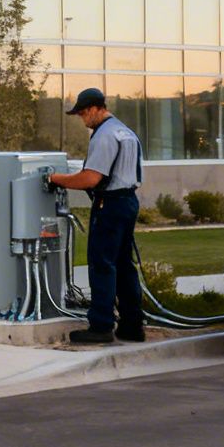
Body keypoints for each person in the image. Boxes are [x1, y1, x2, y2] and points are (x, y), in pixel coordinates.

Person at [44, 87, 143, 345]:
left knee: (101, 264)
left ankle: (100, 326)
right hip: (129, 201)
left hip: (109, 204)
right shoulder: (126, 132)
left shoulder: (104, 136)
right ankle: (132, 326)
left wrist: (56, 179)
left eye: (83, 113)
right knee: (123, 265)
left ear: (94, 109)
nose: (83, 119)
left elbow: (91, 177)